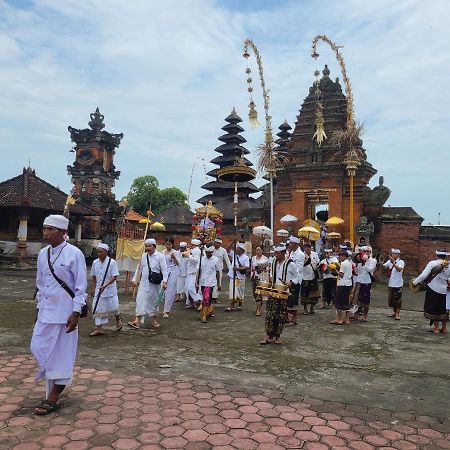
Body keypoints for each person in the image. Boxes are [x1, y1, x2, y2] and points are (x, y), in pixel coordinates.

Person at [30, 215, 87, 415]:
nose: (45, 232)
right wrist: (39, 309)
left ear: (63, 232)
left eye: (51, 229)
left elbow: (80, 287)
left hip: (66, 314)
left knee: (62, 354)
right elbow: (40, 284)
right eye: (44, 228)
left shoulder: (74, 254)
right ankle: (52, 384)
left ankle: (54, 394)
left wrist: (77, 312)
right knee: (38, 346)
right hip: (46, 311)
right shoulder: (43, 254)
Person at [260, 244, 299, 345]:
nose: (275, 255)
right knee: (269, 314)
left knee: (280, 315)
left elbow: (297, 277)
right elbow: (270, 273)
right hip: (273, 291)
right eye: (275, 253)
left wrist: (290, 283)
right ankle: (268, 335)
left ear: (283, 253)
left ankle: (277, 336)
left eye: (277, 253)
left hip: (283, 291)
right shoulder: (273, 261)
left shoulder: (290, 264)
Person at [127, 238, 168, 329]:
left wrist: (165, 282)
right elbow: (139, 269)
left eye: (150, 246)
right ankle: (137, 321)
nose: (148, 248)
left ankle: (153, 320)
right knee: (140, 300)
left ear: (154, 247)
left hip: (155, 283)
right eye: (146, 246)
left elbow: (165, 269)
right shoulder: (143, 256)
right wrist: (135, 280)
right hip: (144, 283)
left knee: (153, 302)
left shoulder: (160, 256)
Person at [412, 249, 450, 333]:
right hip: (444, 290)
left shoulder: (432, 263)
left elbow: (424, 275)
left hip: (433, 288)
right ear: (445, 256)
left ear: (436, 255)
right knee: (443, 309)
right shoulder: (449, 265)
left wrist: (415, 282)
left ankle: (436, 328)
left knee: (434, 308)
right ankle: (444, 328)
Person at [89, 243, 122, 336]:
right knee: (96, 308)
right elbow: (94, 277)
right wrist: (94, 288)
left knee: (113, 307)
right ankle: (99, 328)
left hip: (109, 290)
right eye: (97, 252)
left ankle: (118, 319)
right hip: (99, 291)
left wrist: (105, 285)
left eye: (101, 252)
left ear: (106, 252)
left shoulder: (112, 262)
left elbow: (114, 276)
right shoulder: (95, 262)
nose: (99, 254)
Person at [195, 246, 221, 323]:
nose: (208, 254)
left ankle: (204, 315)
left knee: (206, 298)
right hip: (203, 282)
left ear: (212, 252)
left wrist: (219, 284)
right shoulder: (201, 259)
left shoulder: (216, 260)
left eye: (209, 253)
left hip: (211, 282)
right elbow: (198, 271)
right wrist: (196, 282)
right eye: (207, 252)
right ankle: (210, 310)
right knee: (206, 298)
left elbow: (218, 272)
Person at [352, 246, 377, 321]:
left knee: (365, 299)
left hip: (366, 281)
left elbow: (370, 270)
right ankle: (355, 313)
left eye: (367, 251)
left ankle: (365, 315)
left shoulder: (373, 260)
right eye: (364, 251)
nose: (366, 253)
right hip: (359, 281)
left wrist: (365, 262)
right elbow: (357, 272)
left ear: (370, 252)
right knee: (356, 298)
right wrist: (356, 265)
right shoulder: (359, 260)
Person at [330, 251, 353, 325]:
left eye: (340, 256)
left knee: (339, 302)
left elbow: (341, 275)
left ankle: (339, 319)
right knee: (346, 301)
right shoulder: (350, 263)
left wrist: (335, 270)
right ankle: (347, 319)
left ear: (344, 256)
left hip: (343, 284)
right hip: (348, 284)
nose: (339, 257)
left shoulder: (343, 263)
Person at [226, 242, 250, 311]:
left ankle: (240, 304)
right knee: (232, 291)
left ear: (242, 250)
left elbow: (247, 267)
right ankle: (231, 306)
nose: (236, 249)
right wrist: (232, 242)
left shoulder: (246, 257)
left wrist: (238, 269)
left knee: (240, 292)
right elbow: (227, 249)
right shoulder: (234, 255)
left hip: (240, 277)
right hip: (233, 277)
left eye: (238, 248)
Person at [382, 249, 405, 320]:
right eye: (392, 253)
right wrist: (381, 262)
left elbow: (399, 269)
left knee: (397, 299)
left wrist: (393, 263)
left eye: (395, 253)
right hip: (391, 283)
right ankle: (394, 312)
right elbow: (384, 266)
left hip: (398, 284)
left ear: (398, 254)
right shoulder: (389, 261)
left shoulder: (401, 262)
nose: (393, 255)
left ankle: (397, 313)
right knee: (391, 299)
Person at [286, 236, 304, 325]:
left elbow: (299, 269)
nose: (290, 245)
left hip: (295, 280)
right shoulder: (292, 253)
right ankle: (289, 318)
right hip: (289, 279)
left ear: (296, 244)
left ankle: (293, 319)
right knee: (289, 299)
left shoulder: (300, 254)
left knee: (293, 299)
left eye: (291, 243)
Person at [161, 238, 180, 318]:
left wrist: (174, 258)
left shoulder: (176, 252)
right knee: (162, 290)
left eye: (169, 244)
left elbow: (179, 264)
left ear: (172, 244)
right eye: (166, 244)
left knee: (170, 291)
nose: (168, 246)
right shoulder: (162, 253)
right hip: (164, 272)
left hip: (173, 272)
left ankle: (166, 310)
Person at [300, 242, 320, 315]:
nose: (307, 249)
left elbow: (318, 262)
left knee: (314, 294)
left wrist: (318, 265)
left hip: (313, 276)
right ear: (304, 248)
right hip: (304, 276)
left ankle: (312, 307)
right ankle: (305, 308)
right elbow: (300, 265)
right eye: (306, 247)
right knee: (304, 293)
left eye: (309, 247)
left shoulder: (315, 254)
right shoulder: (301, 255)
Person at [183, 238, 203, 308]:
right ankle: (191, 303)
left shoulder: (197, 251)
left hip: (194, 272)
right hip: (189, 272)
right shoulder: (193, 250)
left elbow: (197, 261)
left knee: (191, 288)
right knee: (186, 288)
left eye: (192, 244)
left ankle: (199, 301)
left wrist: (188, 256)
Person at [250, 246, 269, 316]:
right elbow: (252, 268)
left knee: (259, 294)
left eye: (259, 250)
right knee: (254, 293)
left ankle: (258, 309)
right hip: (255, 277)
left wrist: (263, 269)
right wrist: (252, 274)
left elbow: (267, 269)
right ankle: (259, 304)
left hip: (262, 277)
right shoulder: (253, 258)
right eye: (257, 250)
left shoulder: (265, 258)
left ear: (262, 251)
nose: (258, 251)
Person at [212, 238, 231, 303]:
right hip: (211, 270)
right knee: (211, 283)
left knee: (218, 284)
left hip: (219, 270)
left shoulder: (223, 250)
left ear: (220, 244)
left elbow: (227, 260)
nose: (216, 244)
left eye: (218, 243)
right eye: (215, 243)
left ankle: (215, 297)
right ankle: (210, 297)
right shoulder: (211, 249)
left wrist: (230, 270)